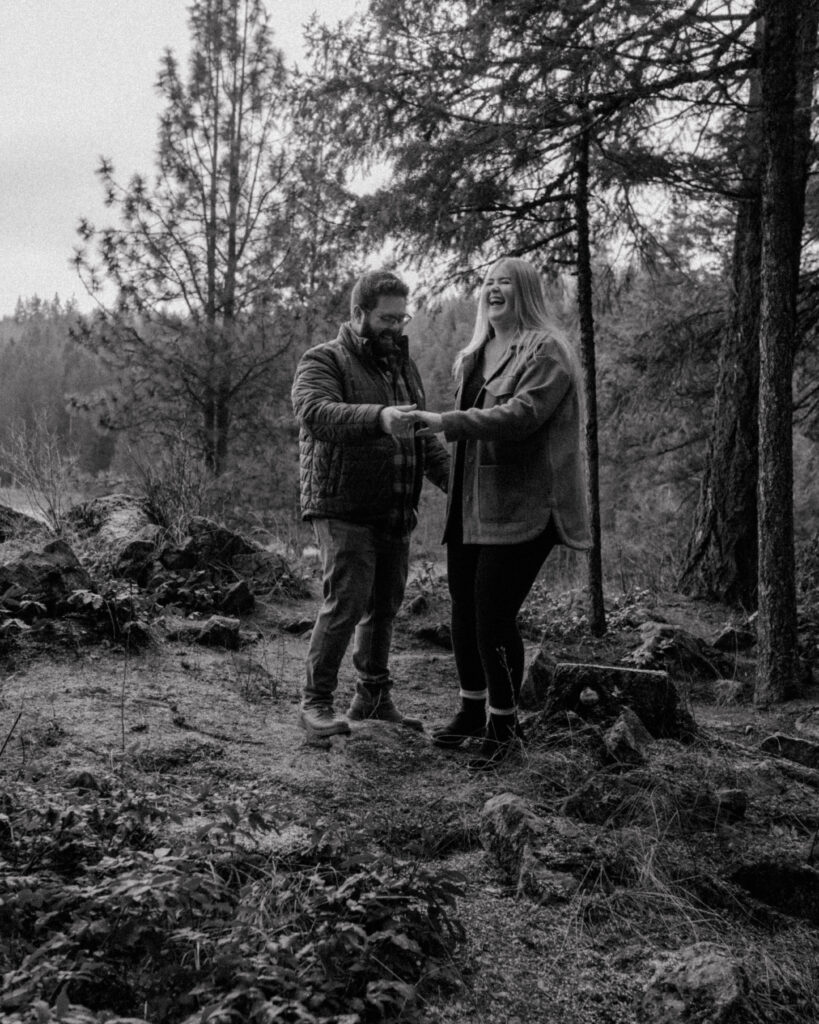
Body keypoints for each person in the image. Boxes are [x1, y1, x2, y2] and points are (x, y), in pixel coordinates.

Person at [413, 256, 591, 769]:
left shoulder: (546, 350)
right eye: (488, 283)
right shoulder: (475, 353)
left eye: (504, 284)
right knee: (464, 614)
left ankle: (505, 727)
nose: (493, 291)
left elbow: (522, 416)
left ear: (526, 292)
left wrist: (445, 421)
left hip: (526, 506)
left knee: (493, 617)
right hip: (471, 507)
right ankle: (472, 710)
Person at [291, 269, 450, 739]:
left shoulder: (403, 367)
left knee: (385, 606)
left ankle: (373, 698)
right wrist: (379, 417)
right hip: (342, 506)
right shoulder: (323, 360)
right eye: (386, 317)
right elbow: (317, 414)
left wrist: (459, 484)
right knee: (346, 602)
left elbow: (425, 441)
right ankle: (315, 703)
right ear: (358, 313)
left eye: (402, 318)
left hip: (395, 509)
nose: (395, 327)